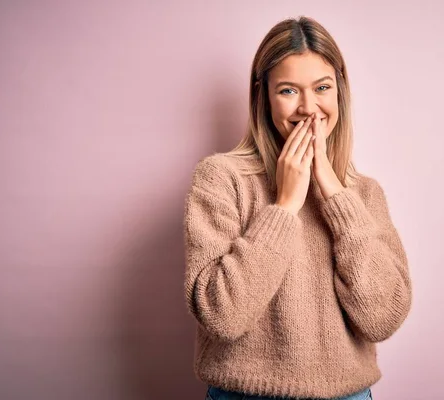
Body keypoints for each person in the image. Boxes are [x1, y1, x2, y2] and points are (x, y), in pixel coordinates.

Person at [183, 16, 412, 400]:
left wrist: (337, 197)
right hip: (245, 396)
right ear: (264, 96)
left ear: (339, 91)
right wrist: (285, 206)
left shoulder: (365, 194)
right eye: (288, 90)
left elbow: (382, 317)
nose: (309, 108)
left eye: (322, 87)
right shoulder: (221, 178)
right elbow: (222, 316)